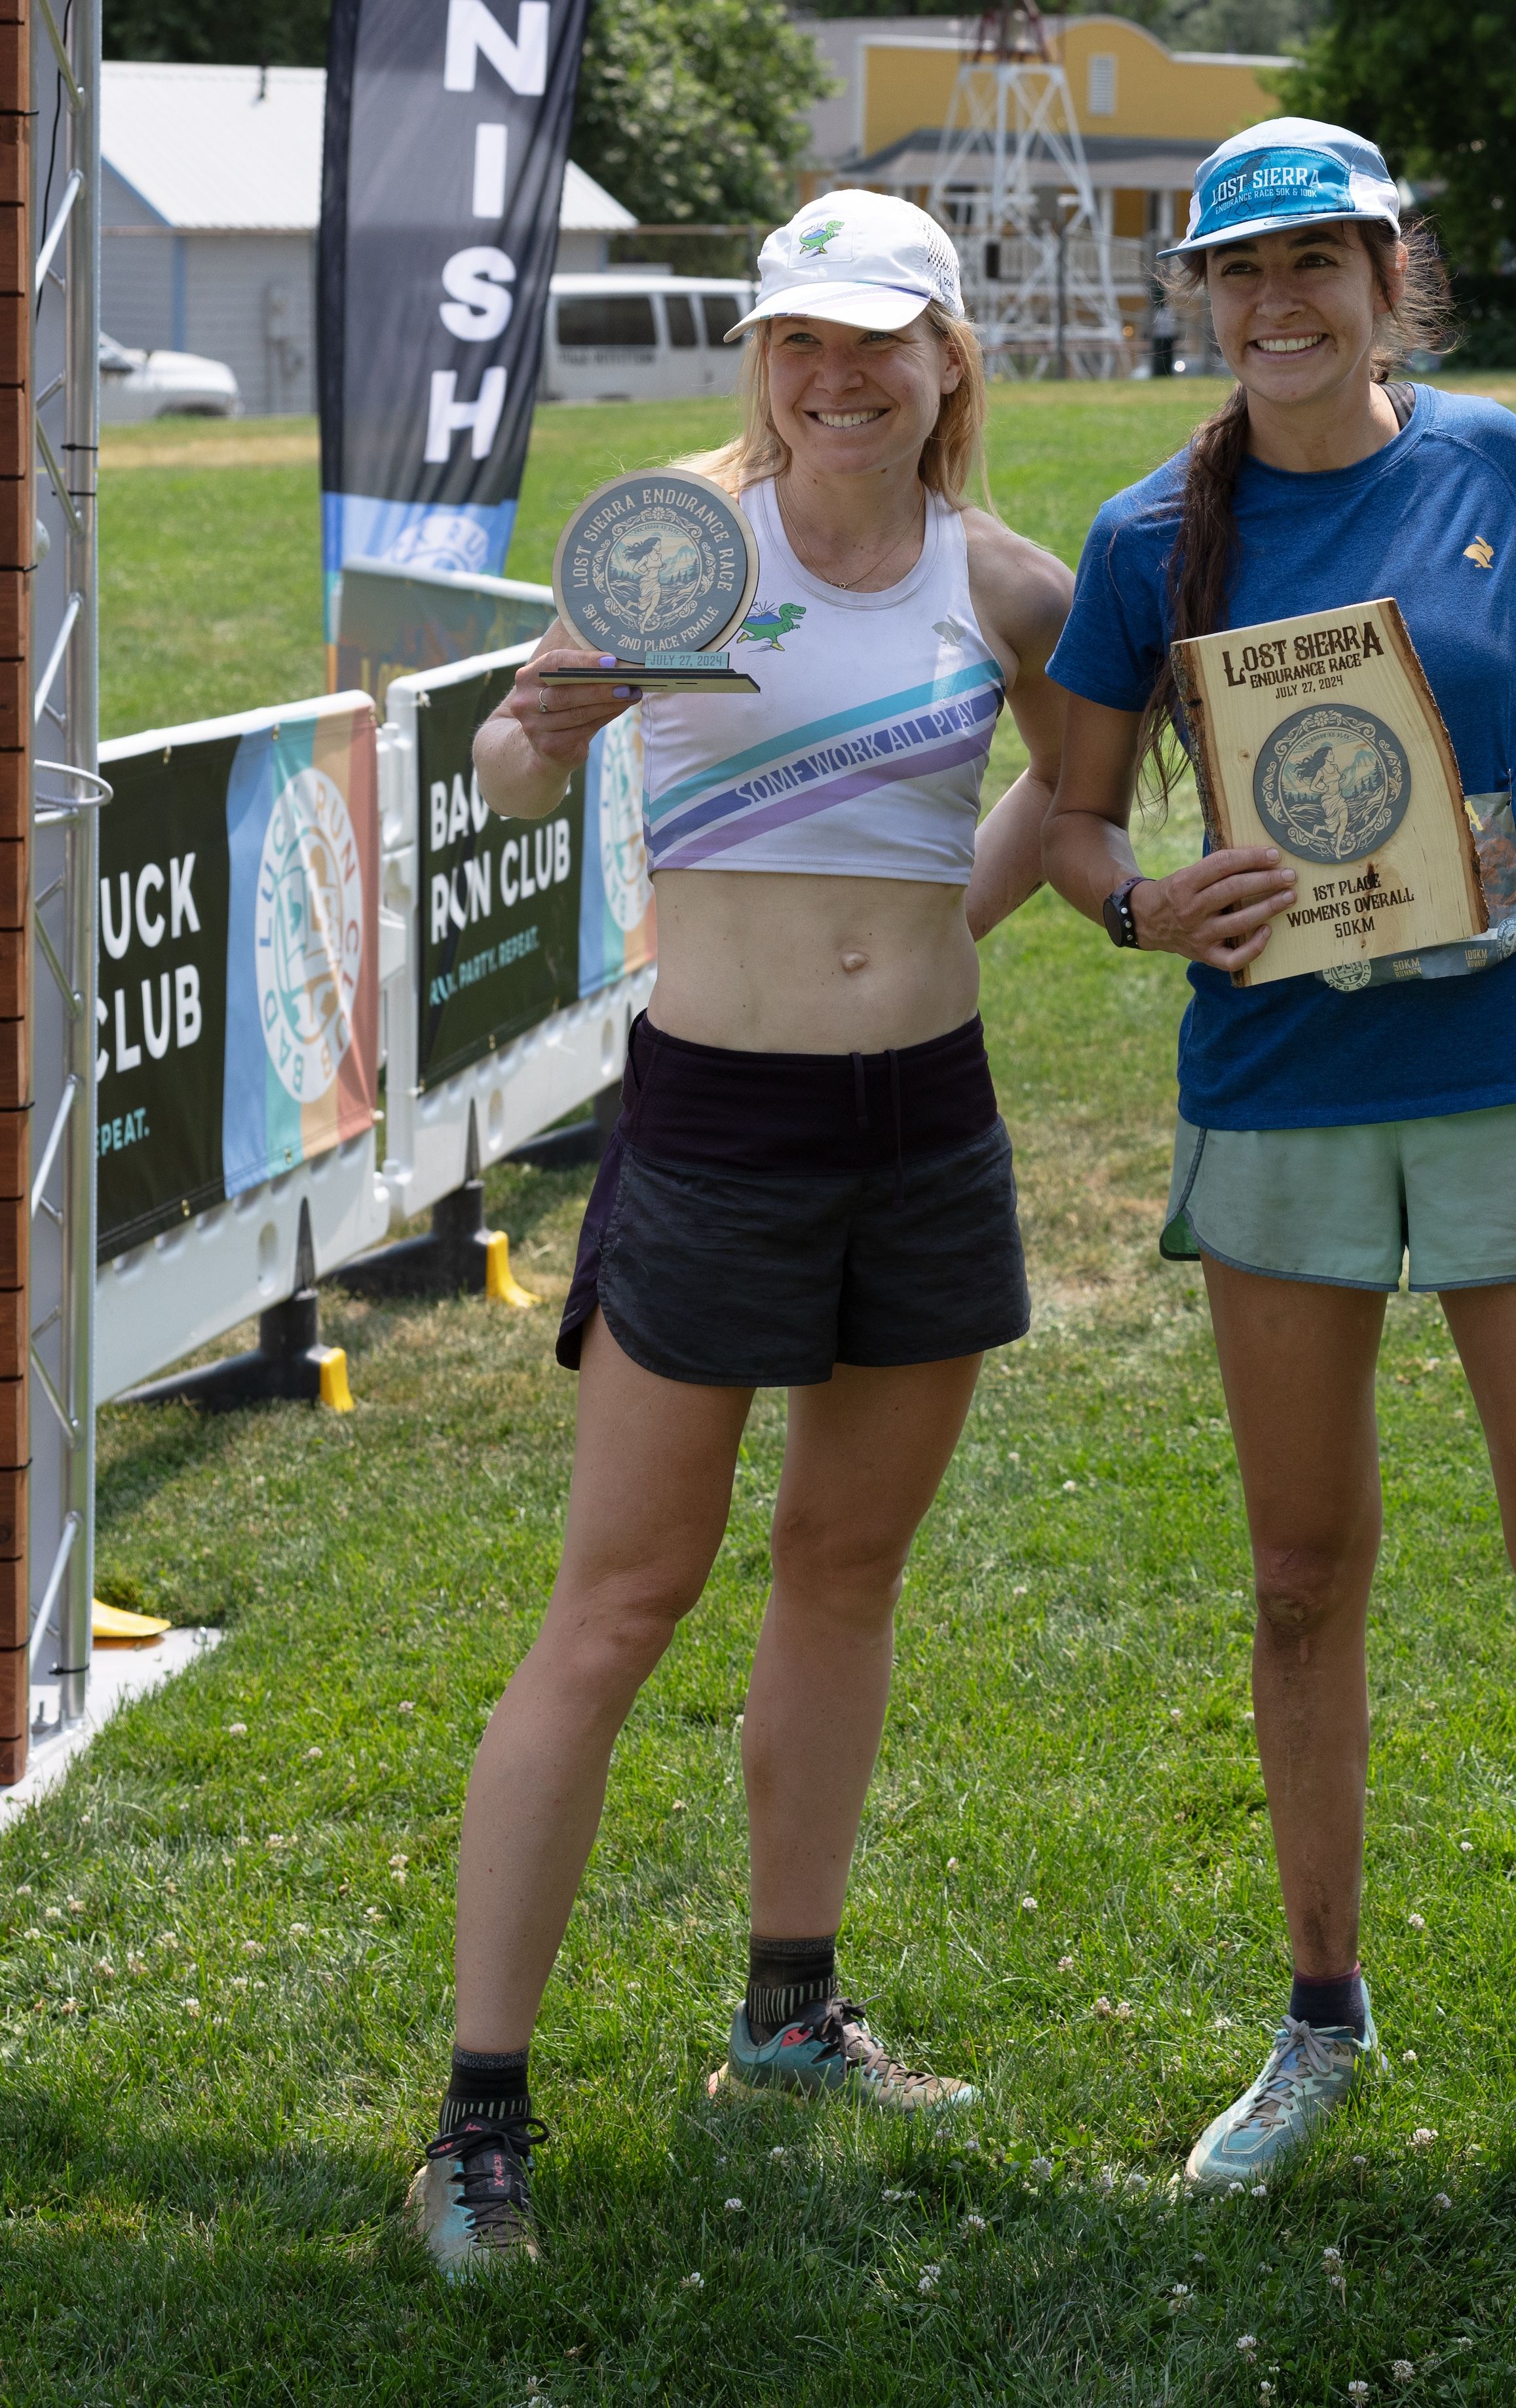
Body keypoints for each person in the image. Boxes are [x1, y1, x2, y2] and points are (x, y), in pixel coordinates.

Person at [1040, 117, 1516, 2198]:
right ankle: (1318, 2015)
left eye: (1316, 266)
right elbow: (1079, 824)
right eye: (1239, 274)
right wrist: (1142, 906)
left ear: (1389, 279)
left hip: (1506, 1076)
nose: (1276, 305)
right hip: (1276, 1094)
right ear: (1206, 300)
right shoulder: (1142, 535)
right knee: (1299, 1577)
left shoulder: (1496, 467)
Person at [407, 191, 1074, 2276]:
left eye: (878, 343)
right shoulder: (672, 551)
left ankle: (788, 2014)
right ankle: (476, 2120)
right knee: (620, 1602)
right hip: (715, 1122)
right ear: (762, 361)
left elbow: (1079, 790)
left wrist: (937, 925)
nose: (837, 380)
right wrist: (542, 731)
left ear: (948, 360)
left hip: (929, 1127)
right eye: (801, 344)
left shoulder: (1009, 582)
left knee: (845, 1570)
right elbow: (510, 779)